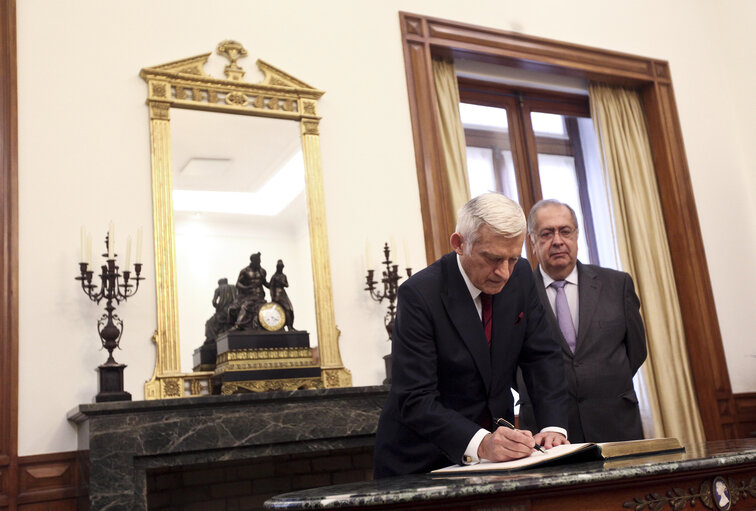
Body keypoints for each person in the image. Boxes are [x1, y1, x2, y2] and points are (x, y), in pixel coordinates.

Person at [373, 193, 569, 478]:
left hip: (495, 458)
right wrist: (482, 442)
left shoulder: (521, 276)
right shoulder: (419, 295)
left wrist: (553, 427)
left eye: (512, 259)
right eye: (492, 258)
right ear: (459, 244)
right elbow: (415, 398)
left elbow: (542, 356)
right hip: (421, 459)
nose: (503, 272)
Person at [517, 199, 647, 443]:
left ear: (577, 235)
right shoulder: (516, 295)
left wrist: (600, 381)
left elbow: (636, 351)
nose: (557, 240)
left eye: (565, 231)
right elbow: (508, 365)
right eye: (546, 233)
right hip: (548, 431)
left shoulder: (617, 285)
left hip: (615, 422)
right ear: (532, 242)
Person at [228, 252, 269, 331]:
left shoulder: (262, 271)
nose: (259, 263)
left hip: (260, 296)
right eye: (258, 261)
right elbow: (238, 284)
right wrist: (246, 288)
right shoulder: (245, 271)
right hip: (248, 296)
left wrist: (273, 284)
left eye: (260, 261)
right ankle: (239, 325)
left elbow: (265, 283)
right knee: (246, 306)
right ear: (253, 261)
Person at [269, 259, 296, 331]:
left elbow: (287, 285)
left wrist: (282, 283)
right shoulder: (274, 276)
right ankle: (283, 326)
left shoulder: (284, 276)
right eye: (279, 267)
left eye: (281, 267)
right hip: (277, 294)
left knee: (289, 309)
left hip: (283, 294)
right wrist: (273, 296)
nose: (280, 268)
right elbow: (271, 286)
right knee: (282, 310)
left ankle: (290, 326)